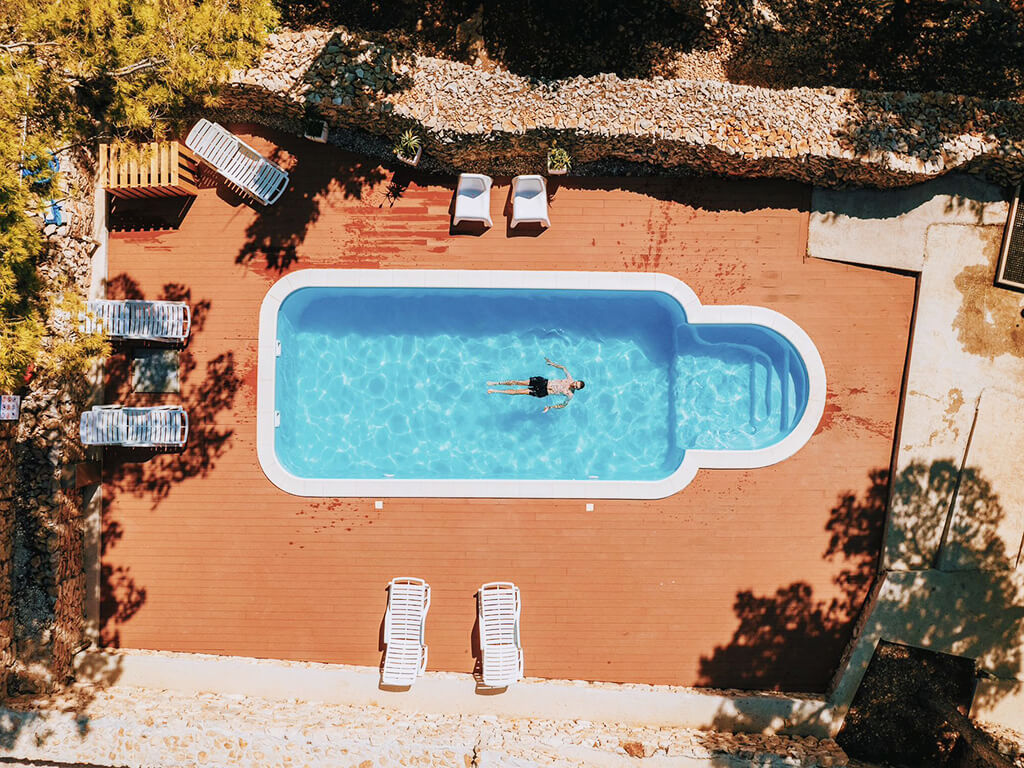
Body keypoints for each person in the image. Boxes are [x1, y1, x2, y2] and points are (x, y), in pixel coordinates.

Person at [488, 358, 585, 413]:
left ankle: (495, 391)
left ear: (577, 389)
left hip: (543, 392)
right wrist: (552, 363)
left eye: (576, 387)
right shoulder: (569, 379)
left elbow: (563, 405)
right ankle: (496, 383)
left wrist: (550, 407)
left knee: (518, 392)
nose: (574, 385)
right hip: (543, 382)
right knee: (517, 382)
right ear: (576, 381)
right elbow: (563, 368)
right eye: (576, 383)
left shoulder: (570, 394)